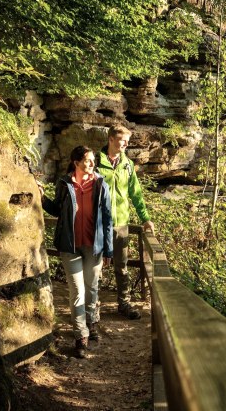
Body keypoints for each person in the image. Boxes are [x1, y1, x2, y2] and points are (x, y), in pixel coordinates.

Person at [39, 146, 113, 358]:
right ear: (76, 162)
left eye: (93, 161)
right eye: (88, 161)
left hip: (94, 246)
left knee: (92, 289)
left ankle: (92, 324)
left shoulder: (100, 184)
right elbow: (57, 210)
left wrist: (108, 249)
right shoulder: (64, 183)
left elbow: (108, 219)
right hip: (70, 246)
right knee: (77, 291)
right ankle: (81, 336)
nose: (92, 164)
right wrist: (42, 199)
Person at [96, 125, 154, 320]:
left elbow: (135, 193)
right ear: (111, 139)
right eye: (123, 140)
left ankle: (124, 303)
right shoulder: (95, 162)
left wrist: (145, 218)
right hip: (97, 225)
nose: (126, 144)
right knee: (96, 266)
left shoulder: (127, 164)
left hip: (121, 225)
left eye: (127, 141)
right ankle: (93, 307)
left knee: (121, 266)